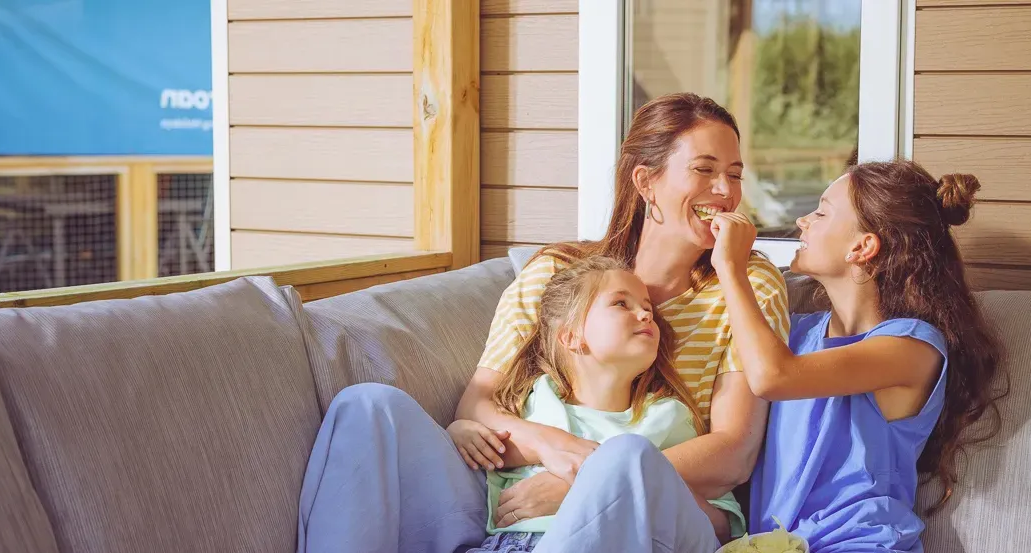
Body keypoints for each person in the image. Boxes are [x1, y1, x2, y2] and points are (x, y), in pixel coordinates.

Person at [296, 92, 791, 553]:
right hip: (511, 500)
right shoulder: (558, 272)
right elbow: (480, 402)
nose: (725, 192)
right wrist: (559, 451)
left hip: (646, 503)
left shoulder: (746, 283)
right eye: (704, 170)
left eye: (735, 173)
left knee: (624, 457)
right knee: (367, 406)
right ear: (645, 182)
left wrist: (586, 481)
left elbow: (732, 453)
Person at [709, 160, 1007, 552]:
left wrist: (730, 266)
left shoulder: (912, 348)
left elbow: (773, 377)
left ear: (862, 247)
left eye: (821, 212)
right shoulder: (797, 333)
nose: (802, 221)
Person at [451, 256, 745, 552]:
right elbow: (489, 450)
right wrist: (459, 431)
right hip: (505, 545)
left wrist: (616, 487)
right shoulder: (533, 400)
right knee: (401, 409)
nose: (645, 314)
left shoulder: (667, 418)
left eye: (648, 308)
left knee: (629, 450)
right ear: (572, 336)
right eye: (621, 303)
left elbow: (720, 526)